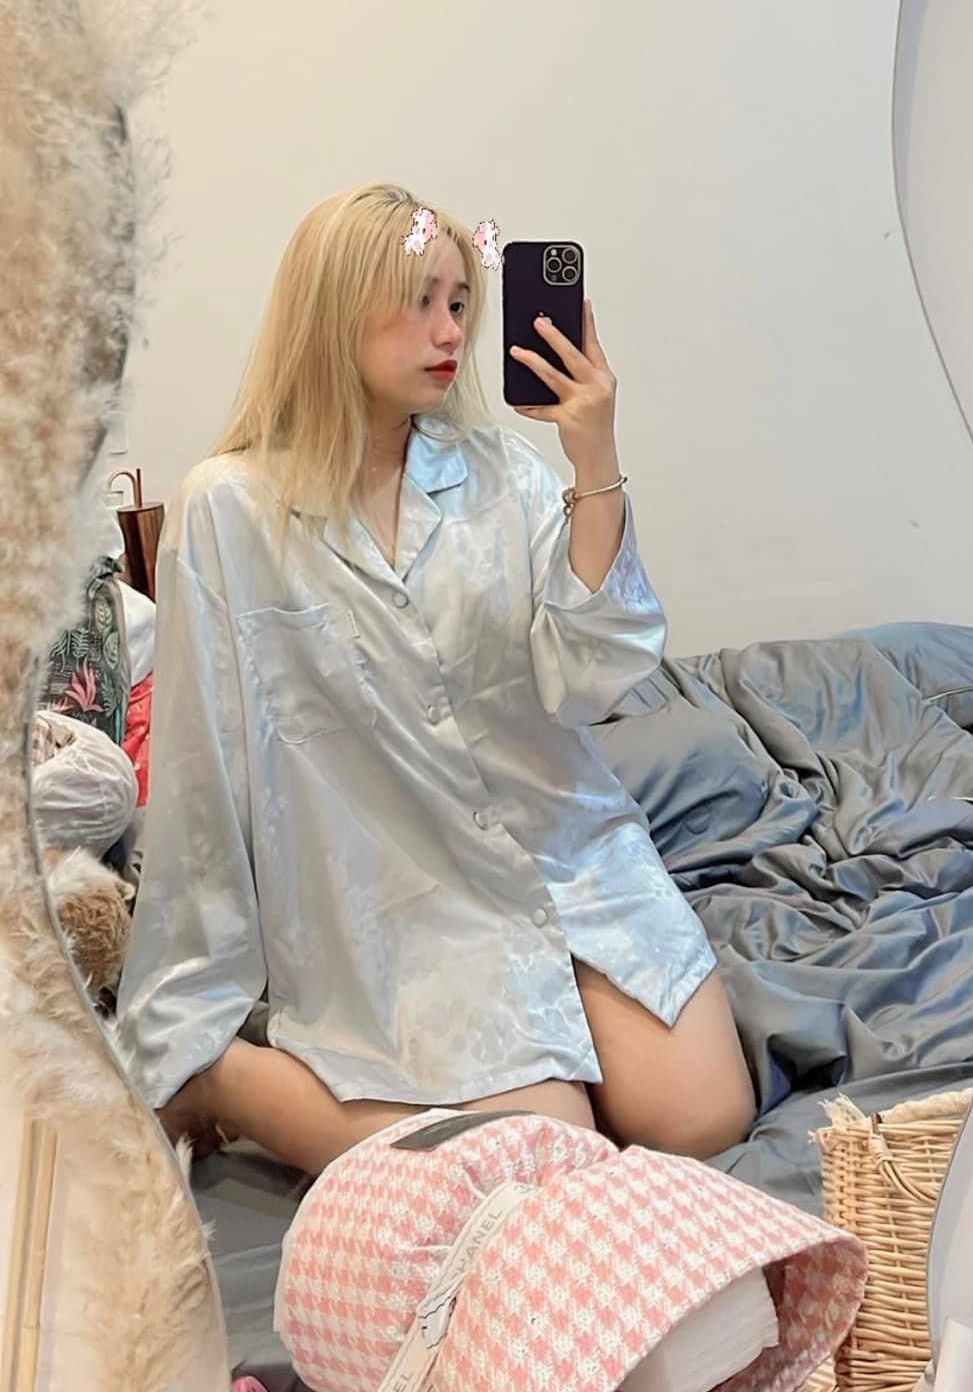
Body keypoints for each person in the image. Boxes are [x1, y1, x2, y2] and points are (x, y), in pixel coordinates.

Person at [115, 183, 754, 1176]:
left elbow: (590, 681)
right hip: (403, 892)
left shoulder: (507, 476)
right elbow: (206, 762)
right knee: (545, 1153)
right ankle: (217, 1077)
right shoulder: (227, 510)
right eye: (420, 301)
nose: (450, 330)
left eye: (459, 302)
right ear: (335, 308)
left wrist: (594, 459)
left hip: (566, 852)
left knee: (704, 1117)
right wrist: (196, 988)